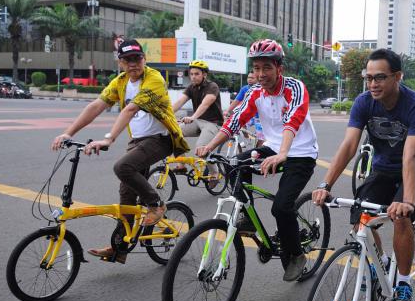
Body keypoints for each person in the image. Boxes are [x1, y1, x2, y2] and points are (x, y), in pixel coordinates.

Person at [312, 48, 415, 301]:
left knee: (401, 216)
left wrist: (406, 202)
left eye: (379, 77)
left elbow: (410, 156)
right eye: (368, 78)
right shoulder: (363, 101)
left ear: (397, 77)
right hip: (383, 167)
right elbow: (349, 145)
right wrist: (326, 184)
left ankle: (403, 283)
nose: (372, 84)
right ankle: (379, 263)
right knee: (360, 214)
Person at [51, 39, 189, 263]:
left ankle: (156, 204)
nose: (133, 64)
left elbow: (132, 108)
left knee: (122, 167)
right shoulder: (121, 81)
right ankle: (120, 248)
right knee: (126, 195)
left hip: (162, 139)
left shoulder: (153, 78)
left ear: (144, 59)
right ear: (121, 63)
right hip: (139, 142)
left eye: (137, 59)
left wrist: (108, 138)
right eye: (128, 60)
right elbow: (96, 106)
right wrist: (69, 133)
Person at [195, 39, 319, 282]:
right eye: (256, 68)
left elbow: (293, 120)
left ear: (279, 68)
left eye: (267, 68)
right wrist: (209, 146)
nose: (260, 74)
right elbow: (235, 122)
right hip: (273, 147)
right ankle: (247, 218)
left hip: (301, 152)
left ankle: (296, 255)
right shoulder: (254, 93)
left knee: (281, 207)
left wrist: (283, 153)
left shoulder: (294, 88)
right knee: (235, 164)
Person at [171, 60, 223, 180]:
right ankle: (181, 164)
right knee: (173, 132)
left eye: (197, 74)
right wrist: (165, 115)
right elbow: (179, 102)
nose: (193, 77)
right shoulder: (191, 88)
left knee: (201, 149)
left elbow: (205, 104)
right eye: (191, 74)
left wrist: (193, 117)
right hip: (197, 121)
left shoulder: (212, 86)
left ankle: (215, 174)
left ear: (204, 74)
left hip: (213, 123)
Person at [224, 71, 265, 146]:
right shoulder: (244, 88)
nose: (249, 79)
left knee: (260, 140)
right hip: (249, 116)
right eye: (248, 77)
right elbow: (236, 100)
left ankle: (258, 151)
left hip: (260, 118)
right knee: (239, 120)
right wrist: (227, 111)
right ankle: (247, 139)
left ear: (258, 79)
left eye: (252, 78)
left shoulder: (262, 89)